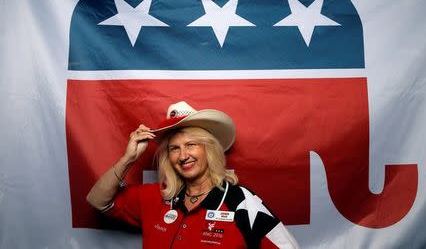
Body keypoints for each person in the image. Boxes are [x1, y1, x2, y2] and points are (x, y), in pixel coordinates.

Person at [87, 101, 299, 248]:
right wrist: (128, 159)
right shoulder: (157, 197)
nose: (183, 155)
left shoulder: (242, 202)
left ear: (209, 149)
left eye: (191, 144)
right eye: (174, 148)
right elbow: (97, 201)